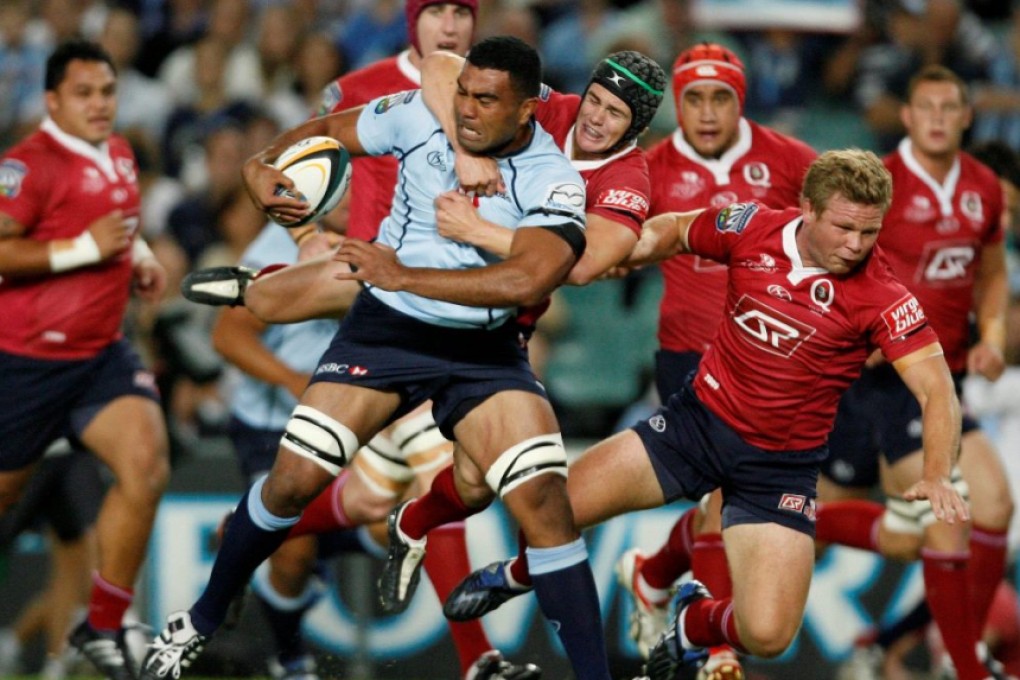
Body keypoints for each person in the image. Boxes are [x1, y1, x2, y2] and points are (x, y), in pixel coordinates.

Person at [138, 36, 616, 680]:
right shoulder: (423, 115)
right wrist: (262, 165)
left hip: (482, 348)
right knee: (292, 483)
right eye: (465, 94)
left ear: (527, 110)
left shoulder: (552, 178)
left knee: (546, 508)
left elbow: (527, 281)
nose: (468, 110)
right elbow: (328, 132)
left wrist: (402, 274)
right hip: (386, 331)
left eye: (486, 100)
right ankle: (197, 620)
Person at [439, 149, 971, 680]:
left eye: (869, 232)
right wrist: (631, 251)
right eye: (844, 227)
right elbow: (674, 229)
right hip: (694, 427)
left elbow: (937, 389)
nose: (856, 245)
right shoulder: (750, 226)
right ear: (807, 208)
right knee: (548, 509)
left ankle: (694, 623)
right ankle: (515, 574)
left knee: (768, 635)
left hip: (778, 470)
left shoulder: (882, 294)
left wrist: (935, 473)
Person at [606, 42, 816, 677]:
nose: (704, 111)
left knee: (721, 501)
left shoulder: (790, 161)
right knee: (727, 499)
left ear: (739, 100)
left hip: (772, 362)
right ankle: (717, 648)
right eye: (692, 97)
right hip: (687, 354)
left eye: (719, 96)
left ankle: (655, 574)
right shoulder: (649, 166)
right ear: (676, 102)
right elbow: (614, 239)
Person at [814, 65, 1012, 680]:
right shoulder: (883, 185)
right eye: (924, 107)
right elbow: (832, 262)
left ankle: (963, 656)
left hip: (939, 377)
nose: (935, 118)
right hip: (874, 376)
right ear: (906, 115)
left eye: (948, 108)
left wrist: (995, 335)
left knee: (990, 508)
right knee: (827, 524)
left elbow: (994, 271)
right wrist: (860, 328)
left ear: (965, 116)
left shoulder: (985, 188)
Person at [0, 39, 170, 680]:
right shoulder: (27, 164)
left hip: (99, 356)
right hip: (23, 365)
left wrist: (143, 257)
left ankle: (103, 623)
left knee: (147, 465)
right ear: (52, 100)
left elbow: (119, 225)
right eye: (84, 93)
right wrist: (81, 250)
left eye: (107, 91)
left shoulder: (120, 151)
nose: (99, 105)